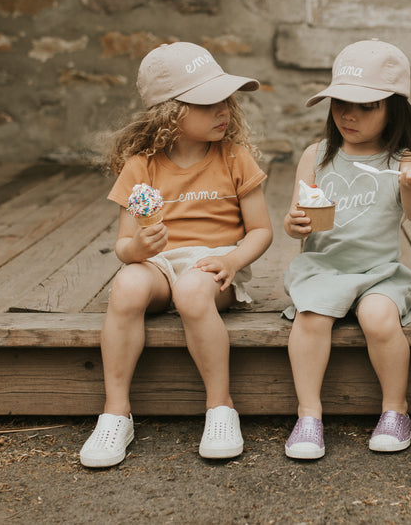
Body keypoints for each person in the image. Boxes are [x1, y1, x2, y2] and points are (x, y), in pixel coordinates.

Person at [79, 42, 273, 468]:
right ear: (169, 112)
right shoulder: (141, 167)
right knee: (127, 285)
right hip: (160, 264)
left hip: (213, 263)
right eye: (208, 103)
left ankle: (220, 407)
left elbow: (261, 230)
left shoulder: (235, 158)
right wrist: (138, 249)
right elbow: (124, 245)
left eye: (225, 99)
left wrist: (234, 262)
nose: (223, 110)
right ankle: (115, 413)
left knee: (192, 291)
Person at [281, 39, 411, 460]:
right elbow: (297, 219)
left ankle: (394, 409)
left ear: (394, 109)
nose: (350, 115)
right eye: (341, 103)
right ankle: (309, 414)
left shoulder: (400, 158)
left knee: (379, 318)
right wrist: (295, 223)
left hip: (378, 271)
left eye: (367, 106)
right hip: (324, 268)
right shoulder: (317, 154)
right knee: (311, 317)